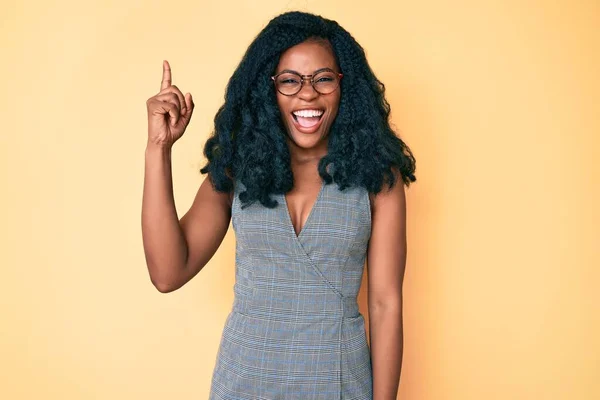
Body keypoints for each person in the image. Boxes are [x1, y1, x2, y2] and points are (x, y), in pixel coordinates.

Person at [142, 11, 416, 400]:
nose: (308, 93)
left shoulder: (376, 177)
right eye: (289, 80)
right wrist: (159, 147)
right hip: (243, 383)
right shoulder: (239, 168)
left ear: (344, 86)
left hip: (338, 385)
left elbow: (386, 303)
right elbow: (168, 274)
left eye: (323, 78)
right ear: (267, 90)